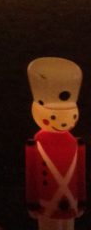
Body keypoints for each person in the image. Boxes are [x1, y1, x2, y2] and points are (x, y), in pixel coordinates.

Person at [26, 57, 86, 230]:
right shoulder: (36, 144)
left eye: (71, 116)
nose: (64, 122)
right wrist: (32, 203)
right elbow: (32, 174)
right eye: (54, 116)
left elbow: (80, 172)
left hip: (70, 202)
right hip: (47, 202)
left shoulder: (76, 143)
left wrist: (81, 200)